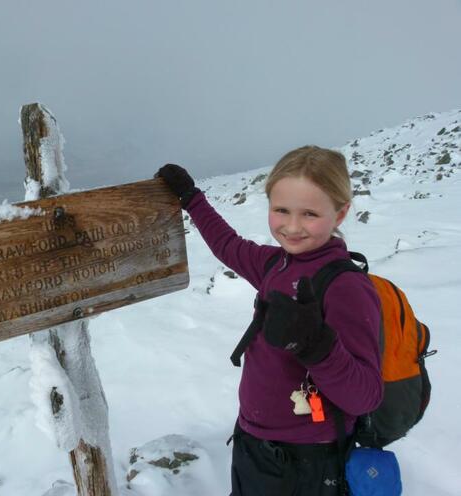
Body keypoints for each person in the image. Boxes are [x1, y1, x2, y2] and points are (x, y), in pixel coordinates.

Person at [156, 146, 383, 496]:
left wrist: (316, 346)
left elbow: (365, 396)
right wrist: (191, 198)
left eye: (309, 213)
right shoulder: (275, 263)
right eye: (281, 210)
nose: (292, 227)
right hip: (253, 441)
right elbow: (228, 245)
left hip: (307, 459)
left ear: (340, 214)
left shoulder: (346, 287)